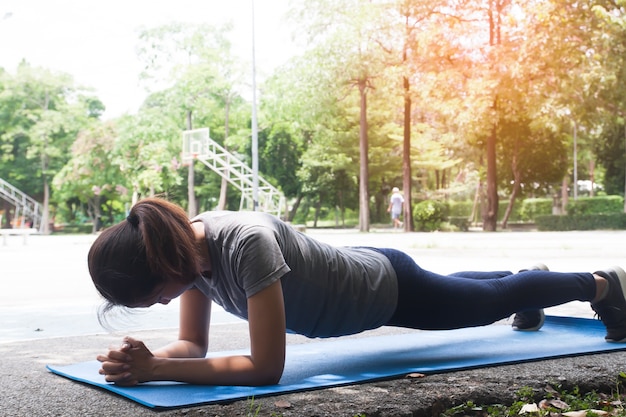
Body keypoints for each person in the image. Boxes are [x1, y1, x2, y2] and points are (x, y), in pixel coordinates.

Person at [89, 197, 626, 387]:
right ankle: (523, 286)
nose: (162, 303)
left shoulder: (242, 244)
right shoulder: (188, 255)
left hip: (383, 289)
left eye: (155, 296)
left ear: (164, 262)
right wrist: (146, 359)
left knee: (482, 309)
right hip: (374, 282)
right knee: (483, 292)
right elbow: (194, 348)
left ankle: (604, 285)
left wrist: (159, 371)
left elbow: (265, 366)